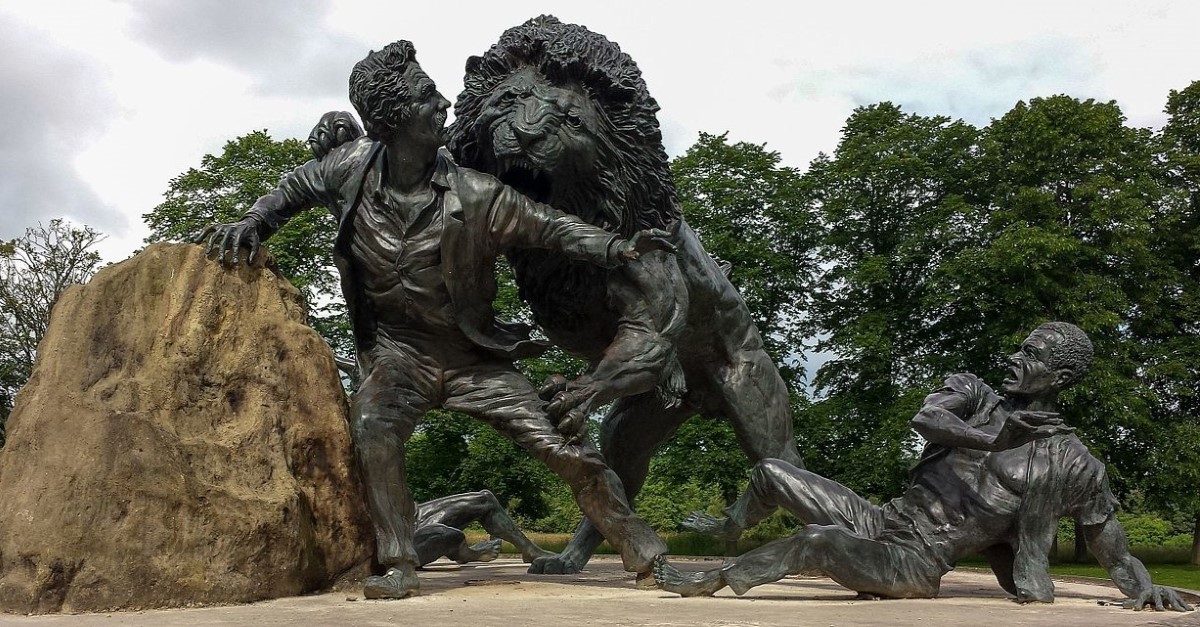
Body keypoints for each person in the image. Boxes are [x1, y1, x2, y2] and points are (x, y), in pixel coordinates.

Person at [197, 40, 672, 600]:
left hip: (472, 360)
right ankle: (399, 562)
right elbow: (293, 188)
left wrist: (619, 249)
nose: (443, 102)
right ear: (393, 120)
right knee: (373, 425)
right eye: (427, 97)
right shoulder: (349, 168)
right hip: (399, 355)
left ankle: (651, 558)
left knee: (565, 449)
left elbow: (553, 227)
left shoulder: (475, 193)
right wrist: (254, 220)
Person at [654, 322, 1193, 613]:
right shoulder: (976, 395)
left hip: (915, 562)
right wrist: (992, 435)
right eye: (1020, 348)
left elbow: (1116, 553)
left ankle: (715, 581)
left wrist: (1145, 586)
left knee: (816, 540)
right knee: (771, 470)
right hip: (879, 520)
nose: (1014, 359)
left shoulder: (1076, 465)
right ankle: (729, 529)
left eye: (1031, 356)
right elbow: (926, 418)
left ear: (1058, 379)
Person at [412, 490, 554, 567]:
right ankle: (471, 553)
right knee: (446, 535)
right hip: (400, 536)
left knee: (485, 500)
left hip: (410, 516)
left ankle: (529, 550)